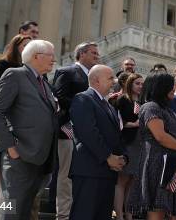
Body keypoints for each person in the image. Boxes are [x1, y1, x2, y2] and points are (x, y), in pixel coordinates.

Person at [0, 40, 58, 220]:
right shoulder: (15, 75)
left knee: (25, 213)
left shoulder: (44, 83)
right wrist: (10, 148)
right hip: (19, 157)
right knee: (10, 213)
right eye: (50, 55)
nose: (54, 60)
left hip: (41, 159)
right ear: (36, 56)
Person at [128, 72, 176, 220]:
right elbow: (160, 136)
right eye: (169, 85)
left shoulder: (169, 110)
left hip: (174, 166)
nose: (174, 88)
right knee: (157, 211)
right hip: (157, 165)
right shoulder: (150, 107)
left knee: (175, 212)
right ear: (159, 87)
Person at [68, 65, 127, 220]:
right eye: (110, 78)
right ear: (96, 80)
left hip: (108, 173)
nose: (114, 81)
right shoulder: (83, 98)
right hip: (90, 171)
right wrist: (108, 157)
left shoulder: (108, 105)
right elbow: (88, 132)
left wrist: (122, 158)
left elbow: (116, 136)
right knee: (84, 214)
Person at [52, 41, 100, 220]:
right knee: (66, 174)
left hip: (90, 133)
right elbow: (59, 97)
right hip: (69, 129)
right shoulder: (67, 72)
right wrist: (85, 106)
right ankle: (63, 214)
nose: (97, 56)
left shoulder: (96, 76)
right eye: (93, 53)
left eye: (97, 53)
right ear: (81, 54)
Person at [0, 34, 31, 196]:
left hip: (23, 118)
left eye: (29, 45)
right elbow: (1, 87)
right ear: (16, 46)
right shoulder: (5, 63)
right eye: (24, 44)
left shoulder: (31, 67)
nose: (27, 47)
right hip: (6, 115)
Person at [114, 73, 144, 220]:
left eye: (141, 84)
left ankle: (129, 214)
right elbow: (119, 122)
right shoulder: (123, 100)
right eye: (137, 83)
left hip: (139, 143)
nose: (140, 86)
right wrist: (135, 124)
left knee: (132, 182)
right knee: (122, 181)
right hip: (127, 143)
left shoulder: (142, 101)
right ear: (130, 84)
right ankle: (119, 215)